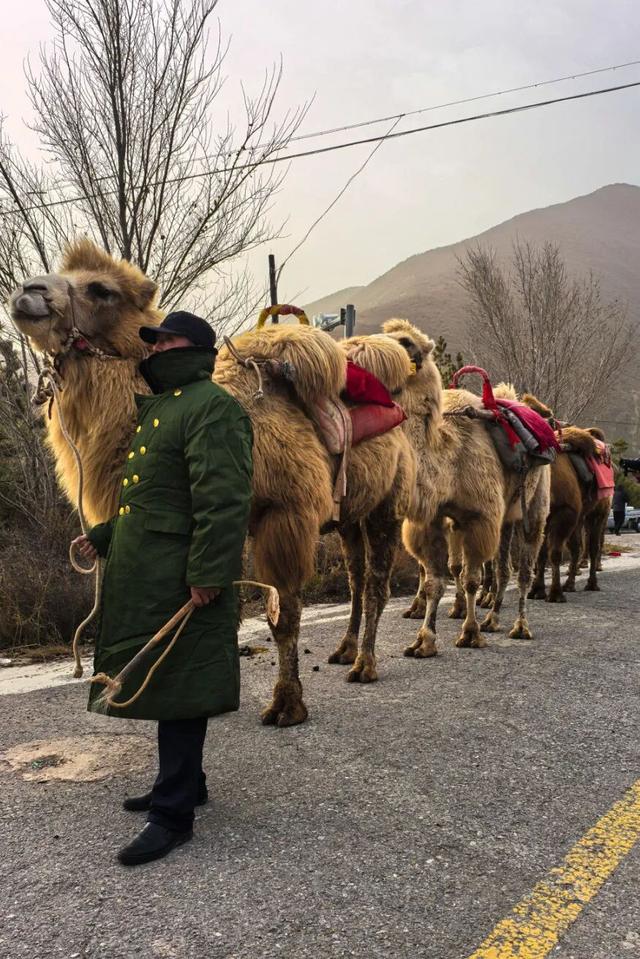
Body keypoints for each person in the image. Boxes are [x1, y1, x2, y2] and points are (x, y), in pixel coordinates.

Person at [72, 311, 253, 866]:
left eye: (165, 340)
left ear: (193, 348)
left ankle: (173, 816)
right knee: (168, 681)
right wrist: (104, 536)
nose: (153, 348)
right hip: (153, 573)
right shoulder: (167, 407)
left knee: (180, 684)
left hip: (183, 577)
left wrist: (209, 573)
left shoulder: (213, 407)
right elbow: (152, 496)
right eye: (151, 341)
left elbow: (223, 501)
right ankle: (186, 784)